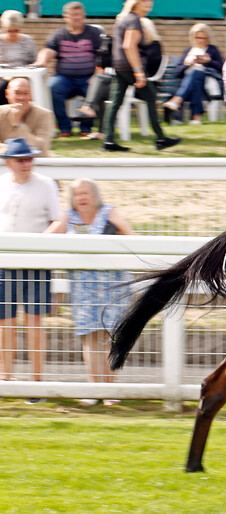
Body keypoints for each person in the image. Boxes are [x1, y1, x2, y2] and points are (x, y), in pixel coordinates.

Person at [46, 178, 133, 406]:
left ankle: (110, 389)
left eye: (86, 193)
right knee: (89, 336)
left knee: (109, 336)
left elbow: (130, 236)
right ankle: (94, 388)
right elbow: (46, 239)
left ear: (95, 195)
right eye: (77, 194)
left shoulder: (109, 212)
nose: (81, 198)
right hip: (82, 287)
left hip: (113, 285)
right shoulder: (68, 217)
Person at [0, 138, 61, 403]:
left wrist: (39, 243)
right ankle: (6, 377)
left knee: (35, 321)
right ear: (9, 162)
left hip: (35, 263)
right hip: (5, 262)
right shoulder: (1, 183)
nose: (26, 163)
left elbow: (59, 220)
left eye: (29, 158)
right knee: (5, 323)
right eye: (21, 159)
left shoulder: (46, 184)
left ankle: (36, 381)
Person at [102, 0, 180, 153]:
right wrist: (139, 72)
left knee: (115, 102)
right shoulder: (133, 20)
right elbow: (129, 46)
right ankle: (160, 139)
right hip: (129, 66)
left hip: (119, 66)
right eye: (145, 0)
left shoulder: (123, 19)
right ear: (136, 3)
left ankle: (108, 141)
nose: (149, 3)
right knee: (150, 95)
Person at [34, 1, 100, 138]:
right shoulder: (58, 34)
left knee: (96, 87)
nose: (76, 17)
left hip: (89, 77)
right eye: (73, 15)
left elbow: (102, 56)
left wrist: (97, 75)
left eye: (79, 14)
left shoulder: (94, 33)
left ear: (84, 16)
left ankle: (86, 127)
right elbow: (48, 50)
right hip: (64, 78)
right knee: (52, 86)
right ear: (65, 17)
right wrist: (42, 60)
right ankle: (65, 127)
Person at [161, 23, 224, 125]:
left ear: (207, 38)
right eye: (197, 37)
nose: (200, 40)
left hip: (207, 82)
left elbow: (221, 67)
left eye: (203, 38)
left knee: (196, 74)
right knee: (195, 82)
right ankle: (195, 117)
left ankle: (177, 101)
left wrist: (208, 61)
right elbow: (178, 71)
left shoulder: (212, 49)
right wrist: (187, 64)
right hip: (188, 82)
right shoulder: (189, 50)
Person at [74, 24, 110, 140]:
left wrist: (95, 76)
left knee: (96, 87)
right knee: (96, 89)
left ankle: (89, 122)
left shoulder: (107, 47)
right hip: (95, 81)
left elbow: (102, 67)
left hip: (111, 82)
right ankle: (100, 131)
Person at [0, 78, 53, 155]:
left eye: (25, 93)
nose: (21, 98)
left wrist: (19, 123)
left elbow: (42, 147)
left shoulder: (44, 114)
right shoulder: (1, 113)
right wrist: (17, 149)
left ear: (31, 95)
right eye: (17, 93)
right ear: (7, 94)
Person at [0, 10, 37, 105]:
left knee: (22, 87)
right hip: (3, 77)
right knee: (3, 86)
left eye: (16, 30)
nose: (13, 34)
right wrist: (7, 76)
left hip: (24, 76)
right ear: (4, 28)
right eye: (9, 30)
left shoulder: (28, 41)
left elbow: (34, 62)